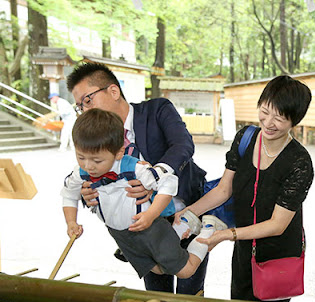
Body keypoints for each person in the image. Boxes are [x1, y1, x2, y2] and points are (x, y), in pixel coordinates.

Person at [66, 62, 208, 295]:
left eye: (88, 100)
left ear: (113, 91)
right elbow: (84, 172)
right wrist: (86, 193)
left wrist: (153, 178)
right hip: (141, 228)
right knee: (156, 292)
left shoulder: (157, 110)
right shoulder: (93, 135)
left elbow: (183, 145)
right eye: (79, 106)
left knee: (190, 289)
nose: (85, 111)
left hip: (186, 209)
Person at [175, 75, 314, 302]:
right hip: (243, 247)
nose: (269, 122)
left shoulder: (299, 163)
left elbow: (277, 225)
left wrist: (228, 234)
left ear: (294, 121)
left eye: (279, 118)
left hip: (277, 254)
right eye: (265, 111)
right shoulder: (245, 138)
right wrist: (188, 212)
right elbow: (223, 189)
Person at [61, 109, 221, 281]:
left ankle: (208, 232)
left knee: (185, 271)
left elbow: (168, 183)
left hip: (149, 227)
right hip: (119, 233)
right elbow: (69, 195)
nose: (88, 166)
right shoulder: (81, 172)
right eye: (81, 157)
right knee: (157, 270)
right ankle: (180, 228)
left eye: (97, 160)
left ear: (119, 153)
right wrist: (71, 222)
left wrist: (151, 215)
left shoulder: (135, 168)